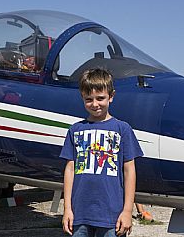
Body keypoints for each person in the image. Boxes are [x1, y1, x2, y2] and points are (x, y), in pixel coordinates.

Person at [60, 68, 143, 237]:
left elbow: (129, 171)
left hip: (112, 215)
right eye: (88, 99)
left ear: (111, 96)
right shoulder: (75, 130)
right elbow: (69, 170)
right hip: (80, 214)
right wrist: (67, 209)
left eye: (100, 98)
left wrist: (127, 211)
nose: (95, 104)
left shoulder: (123, 129)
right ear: (82, 97)